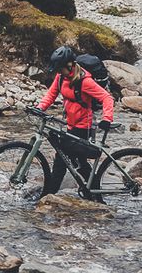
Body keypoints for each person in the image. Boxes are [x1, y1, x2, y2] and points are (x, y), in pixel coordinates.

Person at [38, 46, 114, 191]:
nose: (58, 72)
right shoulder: (61, 78)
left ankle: (49, 195)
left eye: (60, 69)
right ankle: (93, 192)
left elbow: (107, 97)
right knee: (76, 162)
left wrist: (107, 118)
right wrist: (40, 108)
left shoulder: (85, 81)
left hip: (83, 127)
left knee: (62, 162)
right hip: (70, 125)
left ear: (69, 65)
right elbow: (51, 95)